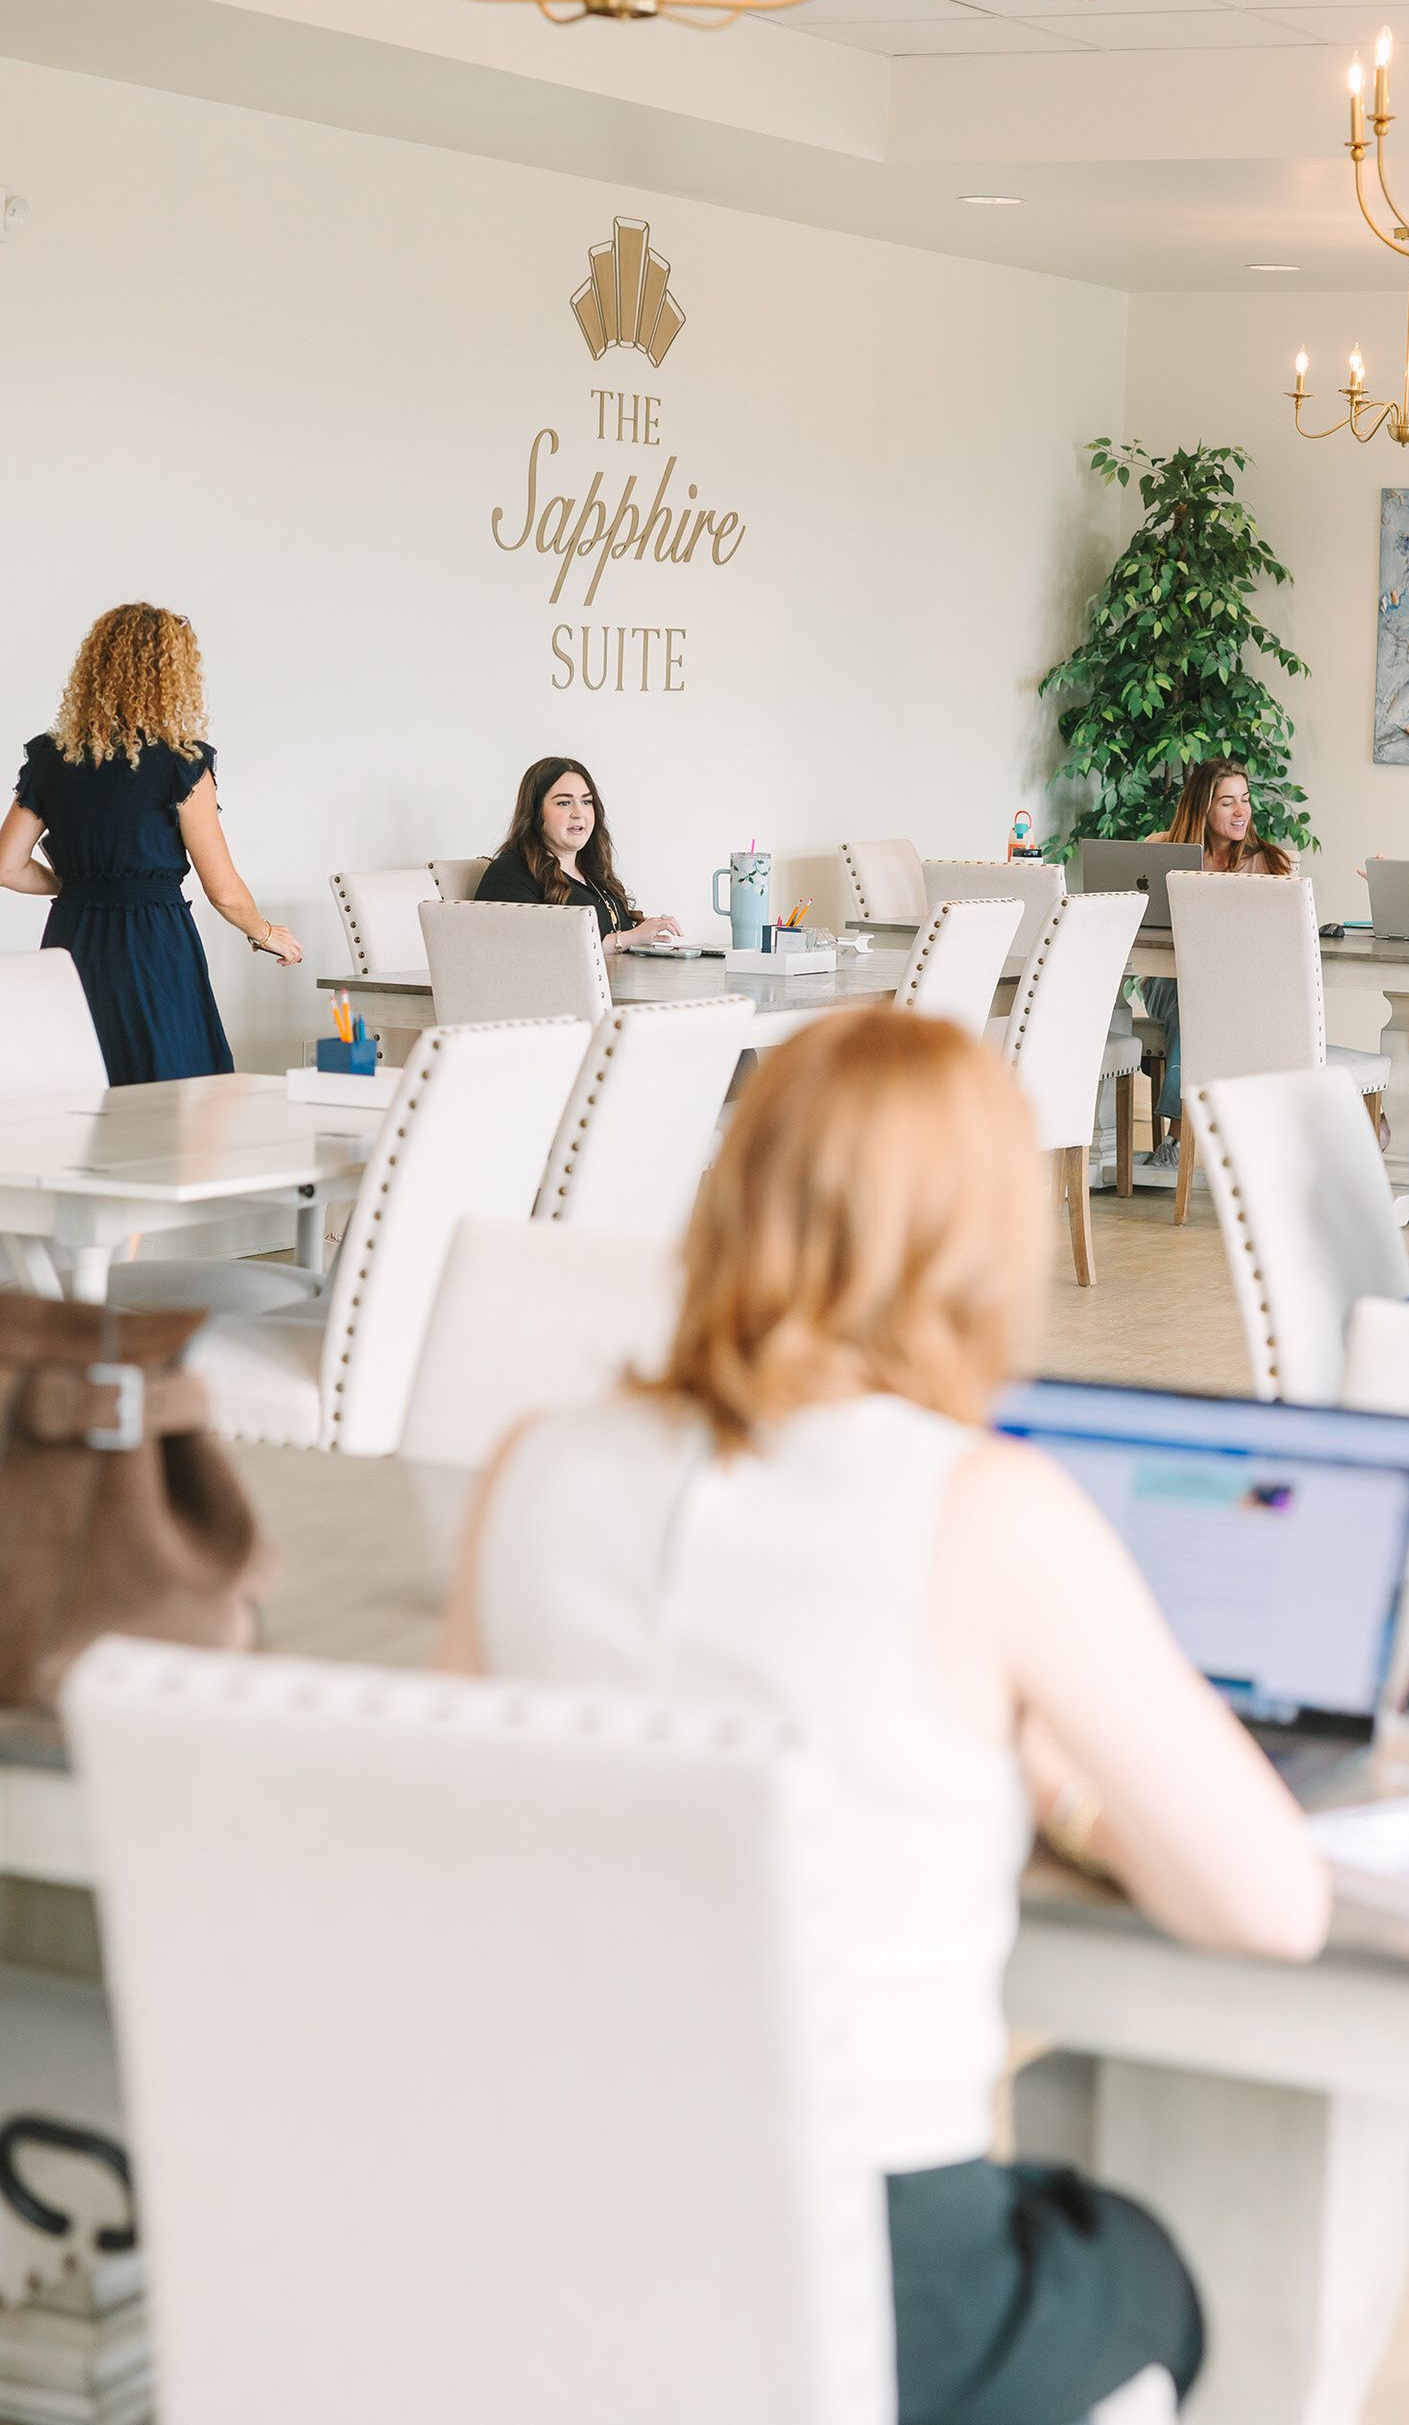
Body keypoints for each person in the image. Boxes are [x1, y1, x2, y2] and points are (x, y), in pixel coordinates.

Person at [443, 1006, 1329, 2424]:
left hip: (561, 2241)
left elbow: (471, 1819)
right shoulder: (984, 1507)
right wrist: (1066, 1791)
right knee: (1149, 2268)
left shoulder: (530, 1466)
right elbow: (1275, 1907)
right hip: (860, 2278)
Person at [0, 604, 300, 1085]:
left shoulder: (51, 758)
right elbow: (224, 891)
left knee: (84, 1084)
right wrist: (265, 933)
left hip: (72, 940)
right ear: (171, 676)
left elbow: (6, 869)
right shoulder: (181, 763)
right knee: (173, 1086)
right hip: (152, 944)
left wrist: (77, 883)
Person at [1142, 759, 1294, 1154]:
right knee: (1191, 999)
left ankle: (1179, 1138)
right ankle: (1185, 1135)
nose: (1241, 811)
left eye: (1245, 799)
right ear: (1202, 807)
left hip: (1238, 990)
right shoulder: (1158, 849)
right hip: (1167, 980)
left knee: (1204, 1000)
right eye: (1227, 802)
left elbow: (1283, 940)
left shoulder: (1269, 862)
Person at [473, 758, 679, 949]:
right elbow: (540, 949)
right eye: (564, 802)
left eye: (586, 802)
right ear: (536, 812)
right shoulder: (510, 873)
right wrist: (629, 939)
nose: (579, 813)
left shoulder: (592, 871)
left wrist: (645, 934)